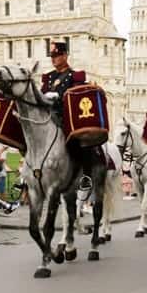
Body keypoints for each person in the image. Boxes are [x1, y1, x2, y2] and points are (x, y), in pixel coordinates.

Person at [41, 41, 96, 185]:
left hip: (66, 119)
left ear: (65, 56)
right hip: (48, 119)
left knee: (80, 142)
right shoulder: (49, 77)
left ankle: (86, 176)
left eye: (57, 55)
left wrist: (60, 97)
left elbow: (78, 98)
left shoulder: (74, 76)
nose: (53, 59)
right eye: (52, 56)